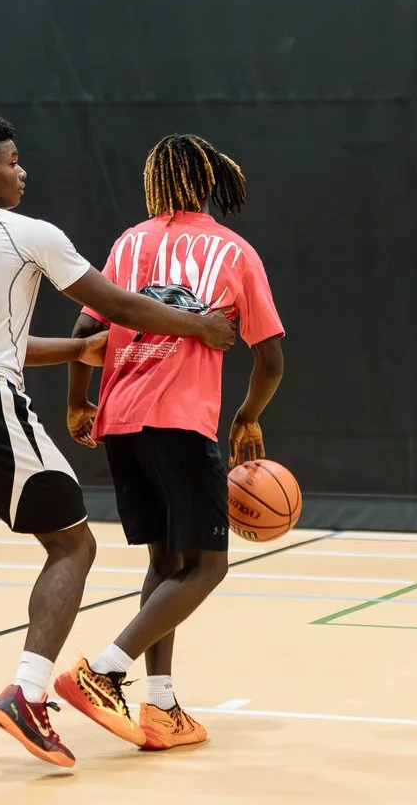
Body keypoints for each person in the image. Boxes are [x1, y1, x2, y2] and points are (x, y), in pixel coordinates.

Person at [0, 113, 234, 768]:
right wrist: (199, 327)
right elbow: (125, 305)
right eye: (13, 160)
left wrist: (81, 348)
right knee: (73, 543)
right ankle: (27, 693)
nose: (22, 171)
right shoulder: (29, 234)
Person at [56, 135, 284, 752]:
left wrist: (80, 400)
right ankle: (104, 669)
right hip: (181, 421)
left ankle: (160, 706)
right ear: (210, 181)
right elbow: (270, 359)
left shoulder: (129, 242)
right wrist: (246, 417)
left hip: (121, 420)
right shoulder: (234, 251)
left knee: (165, 563)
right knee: (208, 566)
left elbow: (85, 326)